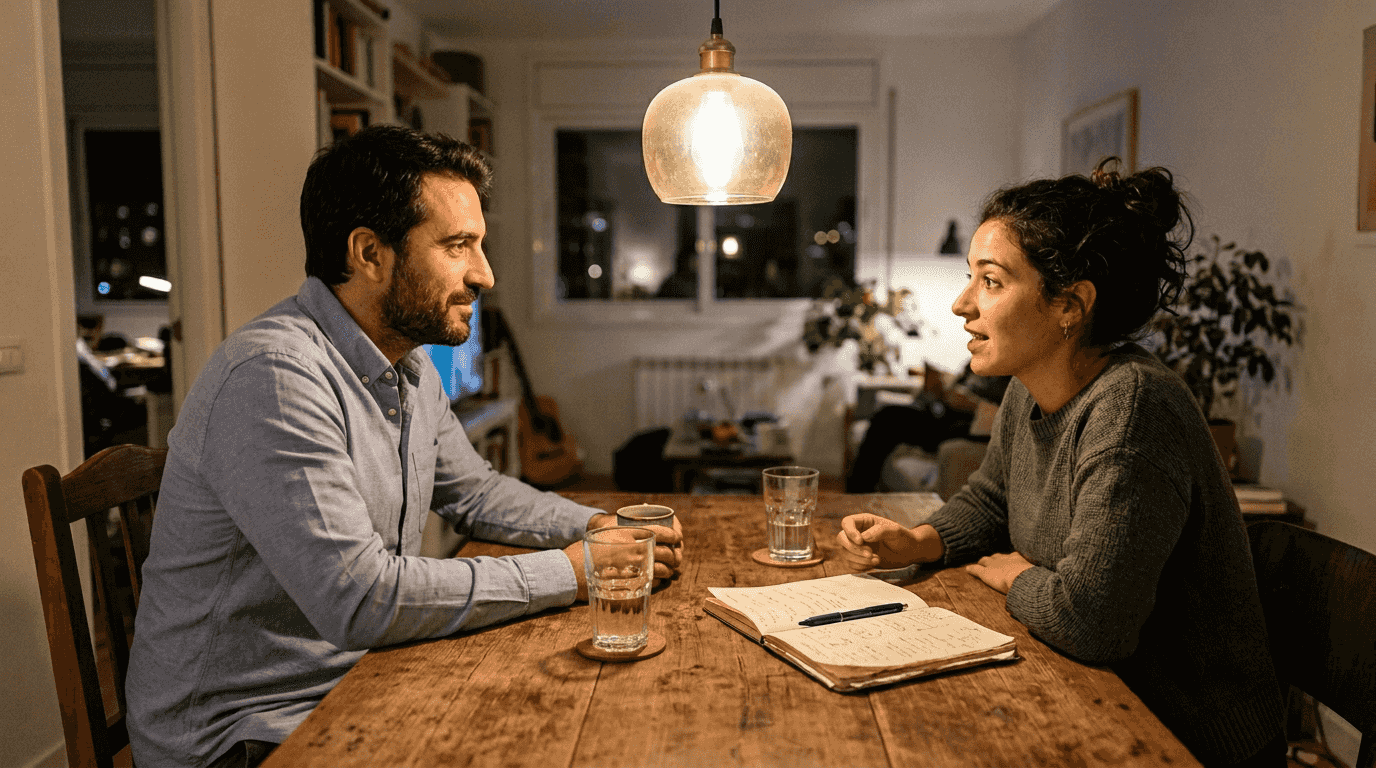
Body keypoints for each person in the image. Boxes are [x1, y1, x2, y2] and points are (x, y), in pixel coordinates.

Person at [126, 125, 685, 768]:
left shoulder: (407, 365)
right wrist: (573, 571)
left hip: (357, 680)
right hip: (244, 735)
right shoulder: (275, 377)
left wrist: (599, 526)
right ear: (369, 253)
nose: (485, 274)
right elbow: (360, 598)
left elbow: (474, 493)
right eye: (458, 246)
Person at [835, 159, 1286, 768]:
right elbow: (993, 499)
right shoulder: (1030, 388)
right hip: (1096, 696)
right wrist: (916, 542)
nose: (962, 305)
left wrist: (1014, 577)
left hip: (1182, 735)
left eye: (991, 282)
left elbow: (1093, 621)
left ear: (1069, 305)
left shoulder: (1132, 408)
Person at [845, 360, 1011, 493]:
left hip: (963, 426)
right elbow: (960, 385)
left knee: (887, 420)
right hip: (943, 413)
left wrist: (969, 403)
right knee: (887, 415)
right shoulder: (976, 359)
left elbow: (1001, 407)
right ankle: (859, 488)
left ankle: (857, 491)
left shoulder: (1005, 371)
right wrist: (941, 387)